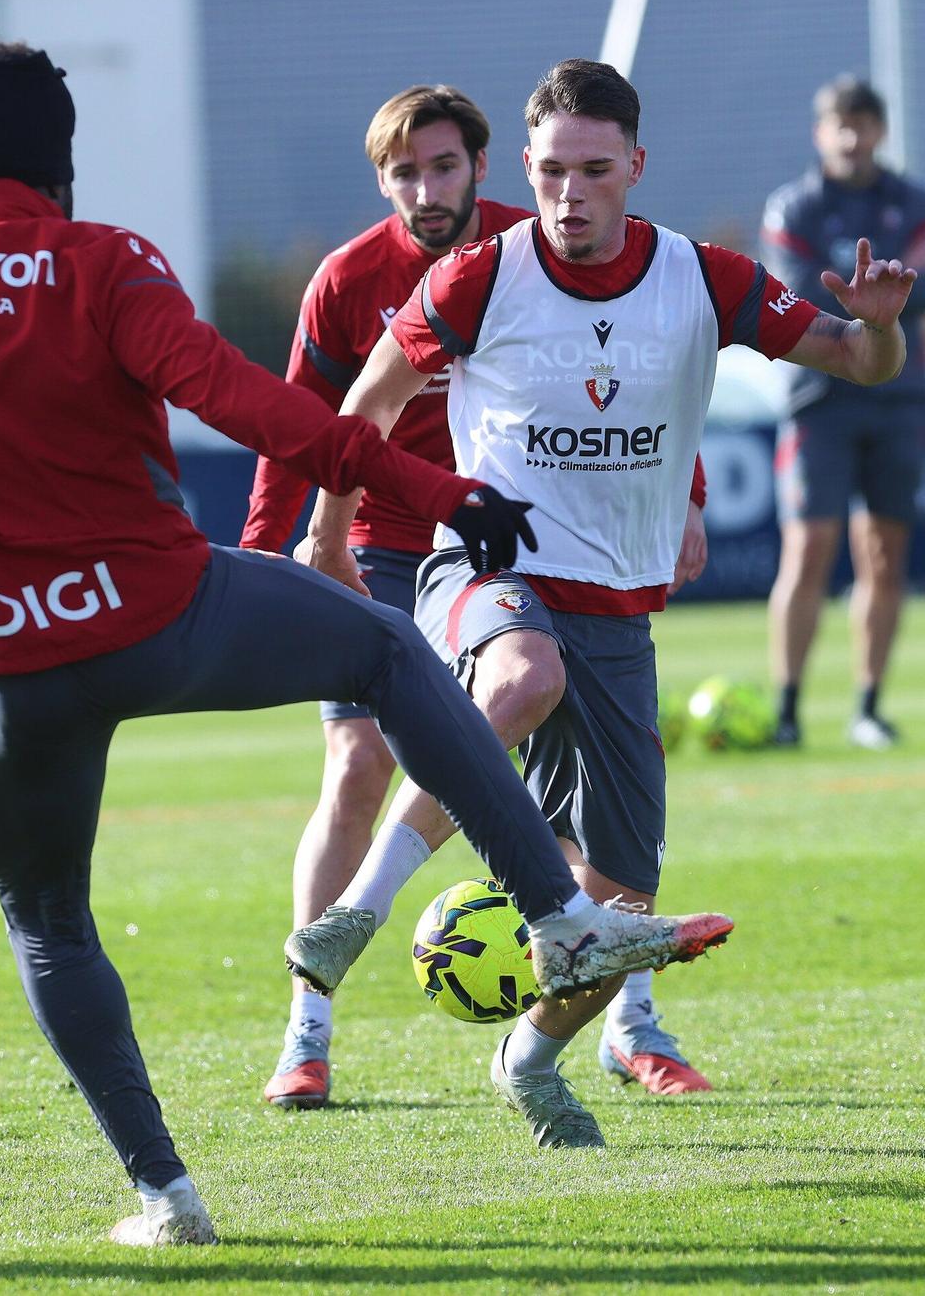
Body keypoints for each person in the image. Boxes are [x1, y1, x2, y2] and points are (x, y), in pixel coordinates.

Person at [0, 40, 731, 1246]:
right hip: (163, 613)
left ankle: (165, 1193)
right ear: (58, 162)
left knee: (47, 920)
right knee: (383, 648)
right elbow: (239, 399)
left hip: (3, 665)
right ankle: (556, 913)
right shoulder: (100, 262)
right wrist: (420, 484)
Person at [289, 59, 915, 1148]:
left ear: (634, 165)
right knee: (524, 675)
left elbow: (856, 360)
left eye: (591, 170)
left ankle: (526, 1057)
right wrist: (330, 537)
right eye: (548, 173)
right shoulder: (478, 277)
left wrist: (880, 327)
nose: (569, 194)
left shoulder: (701, 277)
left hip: (617, 612)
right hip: (487, 566)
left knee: (619, 912)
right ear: (522, 171)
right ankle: (360, 910)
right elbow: (363, 406)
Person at [248, 86, 715, 1108]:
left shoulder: (534, 247)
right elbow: (299, 420)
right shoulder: (345, 282)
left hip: (523, 543)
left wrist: (684, 495)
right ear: (381, 181)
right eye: (405, 172)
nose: (427, 188)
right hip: (377, 544)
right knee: (357, 758)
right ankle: (307, 1029)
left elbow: (647, 372)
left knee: (593, 785)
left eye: (444, 166)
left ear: (481, 168)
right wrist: (269, 551)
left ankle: (626, 1020)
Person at [760, 75, 925, 750]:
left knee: (884, 555)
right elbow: (798, 295)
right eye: (840, 123)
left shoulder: (913, 200)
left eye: (863, 123)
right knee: (808, 550)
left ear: (881, 131)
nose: (851, 136)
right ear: (820, 132)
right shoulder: (795, 207)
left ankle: (868, 706)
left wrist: (877, 297)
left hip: (900, 400)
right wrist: (882, 295)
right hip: (820, 402)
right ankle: (786, 710)